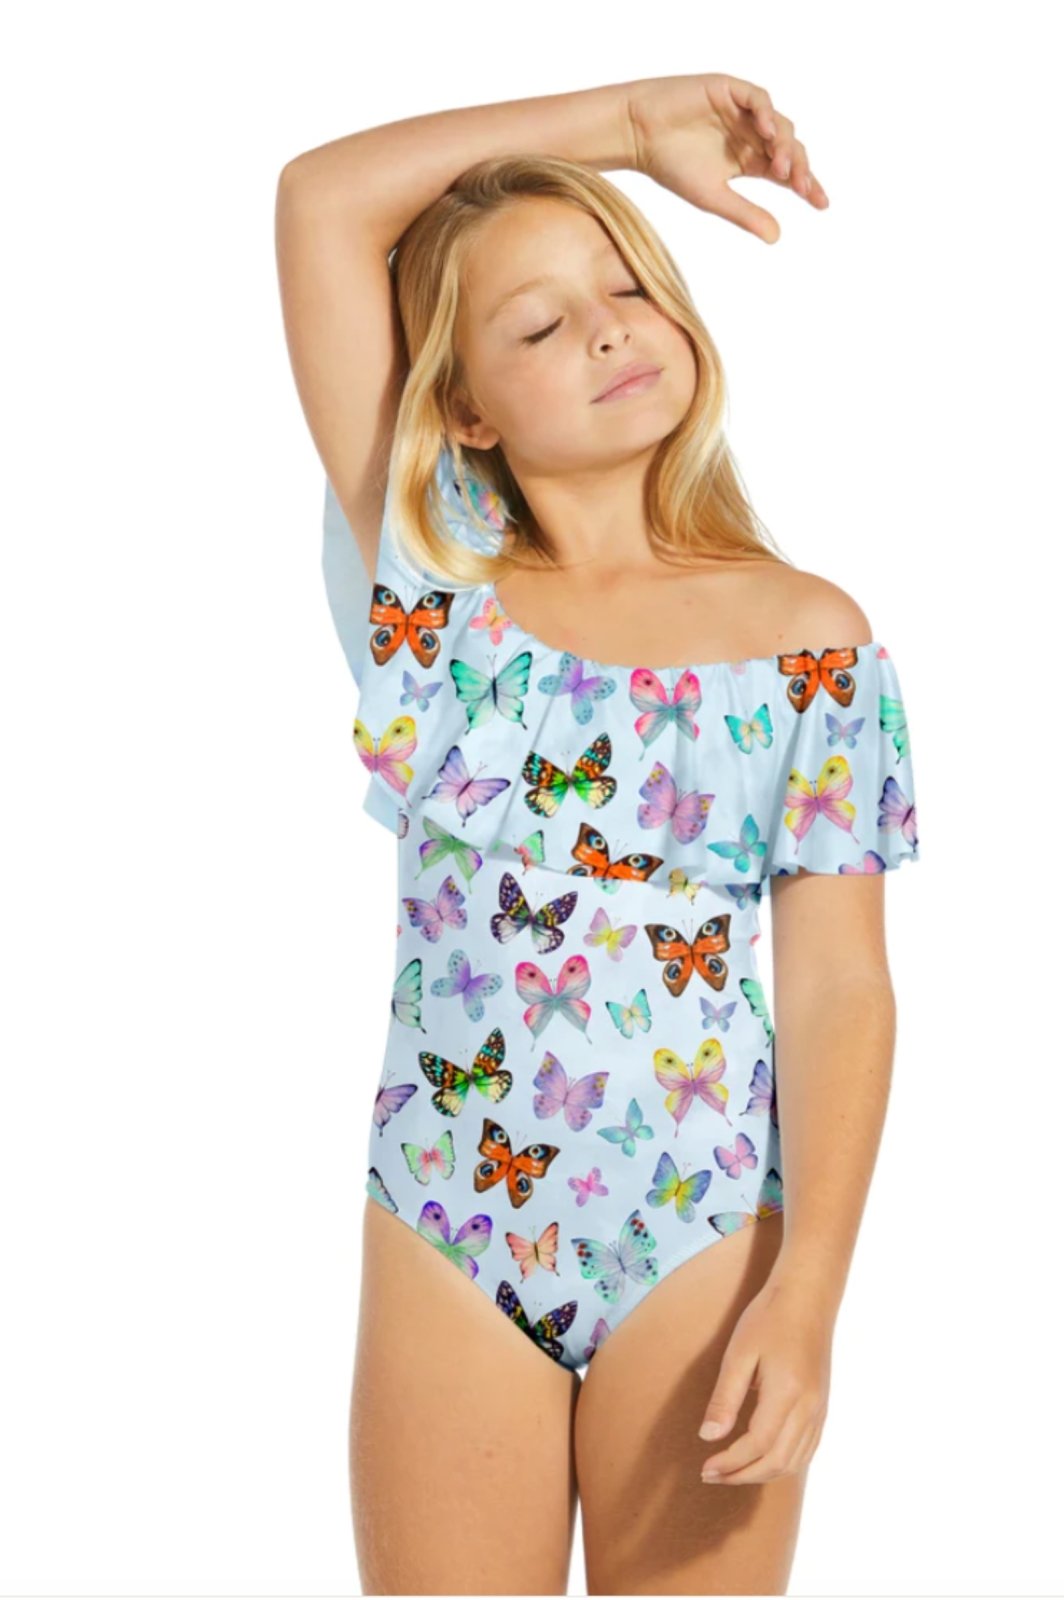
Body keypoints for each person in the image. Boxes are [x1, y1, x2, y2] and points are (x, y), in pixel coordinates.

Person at [276, 72, 920, 1596]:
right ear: (466, 409)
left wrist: (810, 1296)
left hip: (704, 1229)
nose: (610, 329)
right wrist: (625, 132)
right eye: (540, 326)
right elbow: (321, 201)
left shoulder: (808, 640)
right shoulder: (432, 596)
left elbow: (841, 986)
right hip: (451, 1222)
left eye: (625, 287)